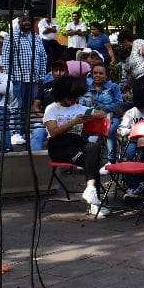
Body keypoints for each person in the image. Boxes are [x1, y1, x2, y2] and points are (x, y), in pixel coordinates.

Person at [43, 76, 105, 211]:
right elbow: (53, 132)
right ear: (61, 95)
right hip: (59, 146)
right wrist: (74, 122)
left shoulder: (79, 108)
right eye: (70, 97)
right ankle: (95, 204)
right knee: (92, 160)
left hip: (77, 143)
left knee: (94, 149)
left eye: (76, 97)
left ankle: (90, 189)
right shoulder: (52, 109)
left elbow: (102, 113)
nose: (73, 100)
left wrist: (92, 115)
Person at [0, 13, 48, 149]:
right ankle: (15, 132)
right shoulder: (11, 36)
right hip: (18, 78)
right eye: (24, 20)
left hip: (34, 79)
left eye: (29, 20)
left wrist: (41, 76)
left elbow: (43, 56)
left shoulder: (36, 37)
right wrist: (10, 76)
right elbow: (6, 57)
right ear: (19, 22)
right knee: (17, 106)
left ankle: (25, 132)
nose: (27, 22)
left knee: (29, 107)